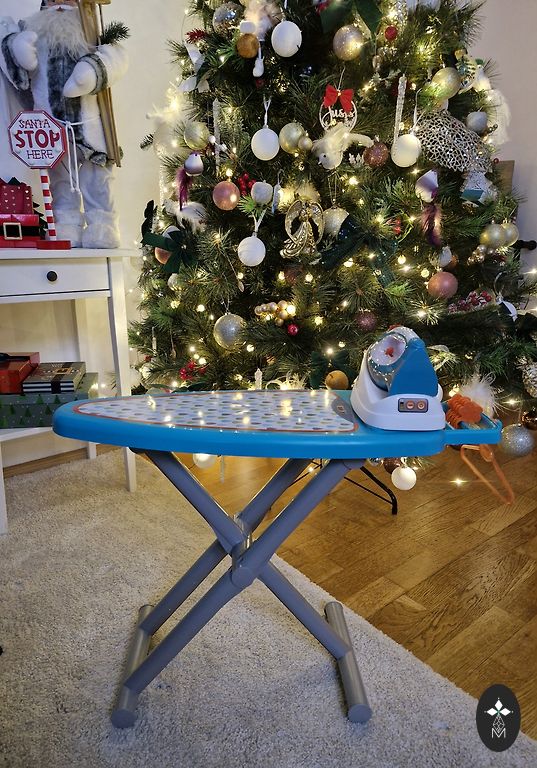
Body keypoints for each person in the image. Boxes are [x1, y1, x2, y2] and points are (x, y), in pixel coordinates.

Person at [0, 0, 128, 247]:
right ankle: (66, 223)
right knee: (60, 179)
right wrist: (19, 50)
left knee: (96, 177)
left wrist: (91, 72)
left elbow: (116, 57)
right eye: (53, 0)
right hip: (50, 128)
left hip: (90, 127)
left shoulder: (92, 33)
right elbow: (11, 60)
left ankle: (102, 224)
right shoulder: (34, 32)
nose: (59, 5)